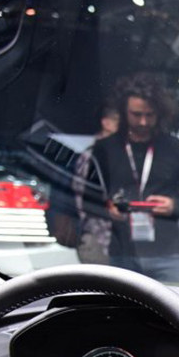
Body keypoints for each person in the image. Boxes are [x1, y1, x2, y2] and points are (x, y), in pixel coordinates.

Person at [91, 72, 179, 283]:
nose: (143, 122)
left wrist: (174, 206)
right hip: (122, 253)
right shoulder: (105, 149)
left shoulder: (174, 148)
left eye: (149, 115)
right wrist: (108, 208)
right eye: (136, 114)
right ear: (124, 112)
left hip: (167, 253)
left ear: (159, 113)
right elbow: (88, 196)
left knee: (177, 303)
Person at [73, 103, 119, 258]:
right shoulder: (93, 154)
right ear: (106, 123)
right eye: (119, 122)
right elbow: (81, 191)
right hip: (96, 233)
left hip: (113, 235)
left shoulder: (117, 151)